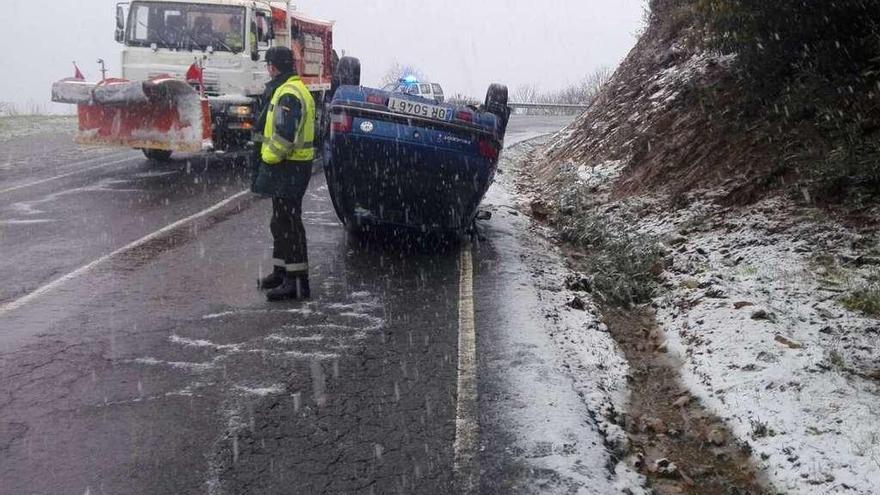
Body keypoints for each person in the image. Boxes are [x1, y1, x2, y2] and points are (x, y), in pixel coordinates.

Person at [252, 46, 316, 301]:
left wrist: (268, 157)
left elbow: (284, 135)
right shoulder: (290, 88)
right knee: (280, 222)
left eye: (269, 65)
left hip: (289, 167)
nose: (267, 69)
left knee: (289, 225)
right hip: (292, 167)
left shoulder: (288, 93)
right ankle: (281, 273)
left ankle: (296, 283)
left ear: (273, 67)